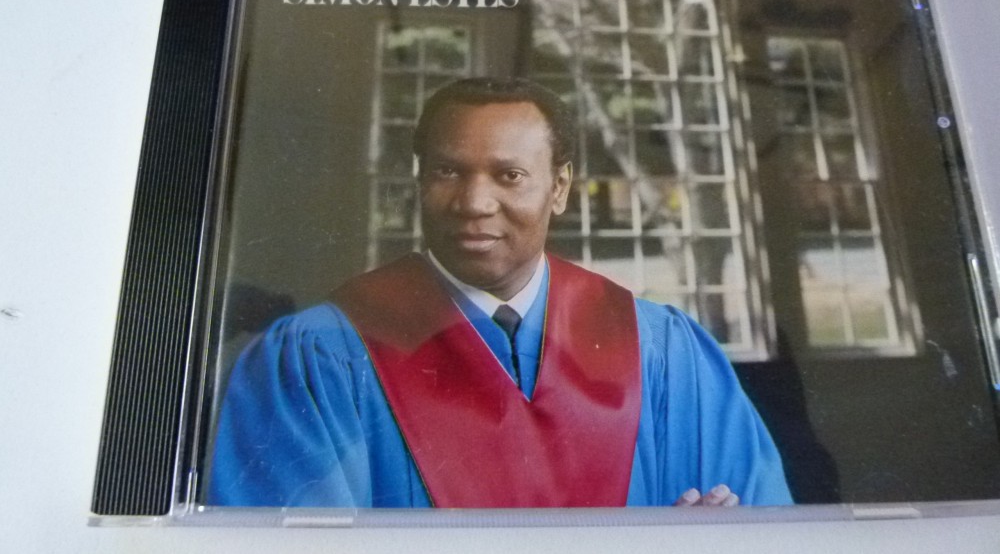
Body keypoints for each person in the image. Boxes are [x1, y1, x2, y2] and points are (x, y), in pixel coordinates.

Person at [208, 78, 792, 508]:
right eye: (448, 172)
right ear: (419, 180)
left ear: (559, 187)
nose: (474, 203)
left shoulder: (660, 349)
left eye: (509, 176)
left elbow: (759, 528)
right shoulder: (322, 356)